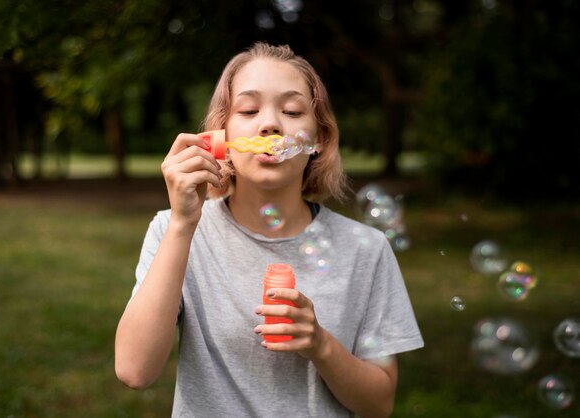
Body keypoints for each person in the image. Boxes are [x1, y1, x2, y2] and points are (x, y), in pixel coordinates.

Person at [115, 42, 423, 418]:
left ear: (319, 139)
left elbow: (379, 404)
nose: (271, 123)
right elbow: (134, 370)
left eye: (292, 110)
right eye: (248, 109)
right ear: (220, 137)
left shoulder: (366, 249)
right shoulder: (173, 230)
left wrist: (321, 345)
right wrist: (182, 224)